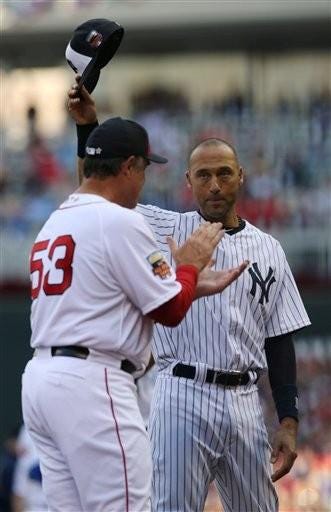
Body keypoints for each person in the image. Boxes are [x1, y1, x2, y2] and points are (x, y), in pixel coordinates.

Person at [68, 81, 311, 512]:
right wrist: (89, 129)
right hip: (181, 390)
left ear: (241, 176)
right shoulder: (165, 227)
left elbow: (280, 340)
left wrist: (288, 422)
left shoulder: (269, 248)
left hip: (243, 399)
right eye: (204, 175)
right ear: (189, 182)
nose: (214, 184)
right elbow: (100, 192)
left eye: (223, 173)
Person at [22, 110, 247, 512]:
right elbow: (171, 309)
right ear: (128, 167)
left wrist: (188, 285)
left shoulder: (55, 221)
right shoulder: (118, 221)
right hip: (93, 383)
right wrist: (191, 265)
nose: (143, 182)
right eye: (142, 169)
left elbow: (135, 297)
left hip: (42, 382)